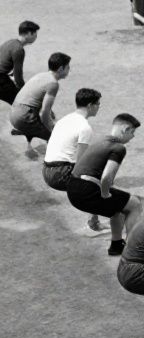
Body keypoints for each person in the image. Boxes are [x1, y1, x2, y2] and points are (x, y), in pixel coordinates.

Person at [65, 112, 143, 256]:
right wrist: (105, 194)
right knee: (135, 204)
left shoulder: (99, 141)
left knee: (117, 208)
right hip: (86, 190)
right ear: (125, 129)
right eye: (132, 132)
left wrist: (94, 212)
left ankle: (116, 246)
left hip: (73, 189)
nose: (133, 136)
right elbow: (107, 177)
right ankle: (133, 251)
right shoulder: (118, 148)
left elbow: (91, 177)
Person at [41, 87, 104, 233]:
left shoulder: (65, 119)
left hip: (46, 170)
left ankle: (94, 221)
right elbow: (83, 163)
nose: (99, 107)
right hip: (59, 174)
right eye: (98, 104)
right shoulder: (85, 128)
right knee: (97, 180)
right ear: (90, 106)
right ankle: (93, 223)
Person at [8, 51, 69, 155]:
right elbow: (44, 112)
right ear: (60, 69)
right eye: (68, 67)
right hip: (23, 117)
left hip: (13, 113)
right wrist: (50, 131)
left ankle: (25, 130)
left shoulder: (42, 75)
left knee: (48, 119)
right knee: (57, 138)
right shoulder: (53, 84)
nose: (69, 70)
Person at [0, 19, 38, 106]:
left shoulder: (9, 42)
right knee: (23, 103)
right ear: (28, 33)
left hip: (3, 78)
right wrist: (24, 90)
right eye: (35, 34)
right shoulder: (19, 50)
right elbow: (18, 75)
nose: (36, 37)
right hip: (1, 81)